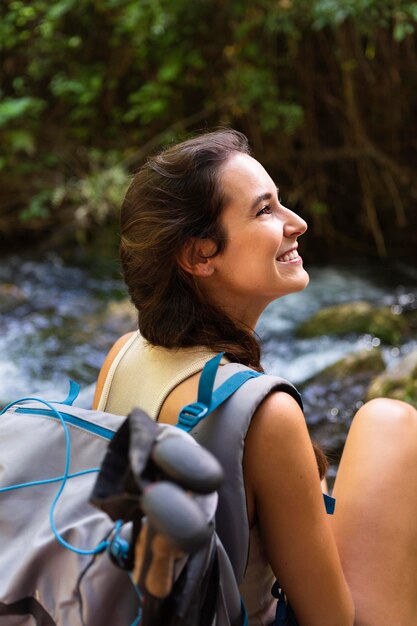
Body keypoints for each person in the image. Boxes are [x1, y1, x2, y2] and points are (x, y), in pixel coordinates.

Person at [93, 129, 417, 626]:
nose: (298, 223)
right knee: (389, 422)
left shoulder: (123, 355)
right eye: (265, 210)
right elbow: (330, 618)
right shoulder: (262, 412)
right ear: (201, 255)